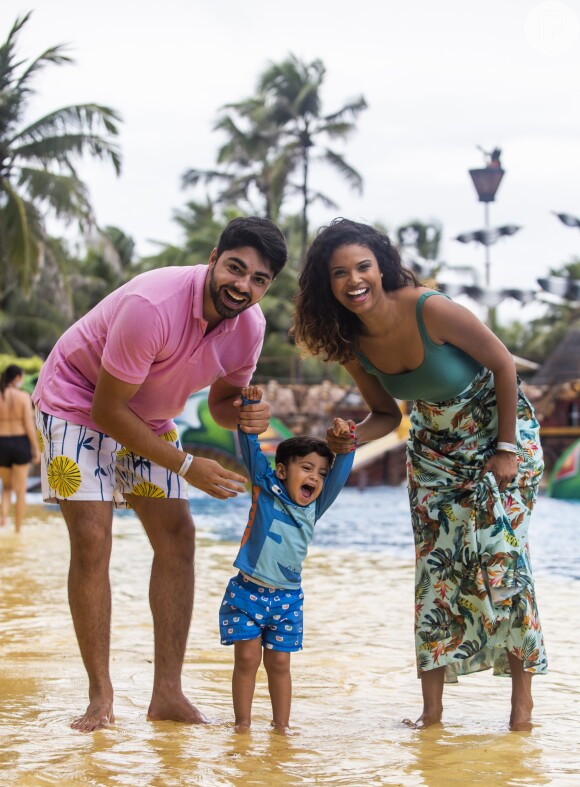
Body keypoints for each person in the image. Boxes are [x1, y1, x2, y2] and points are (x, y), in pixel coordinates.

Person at [31, 216, 288, 733]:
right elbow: (106, 412)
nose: (243, 286)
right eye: (235, 268)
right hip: (75, 399)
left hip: (145, 417)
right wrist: (187, 465)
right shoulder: (153, 306)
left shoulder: (250, 327)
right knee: (92, 537)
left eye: (259, 279)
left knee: (177, 536)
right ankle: (101, 697)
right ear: (214, 258)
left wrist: (245, 411)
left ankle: (167, 693)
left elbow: (219, 404)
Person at [292, 217, 546, 732]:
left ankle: (521, 708)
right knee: (434, 573)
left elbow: (503, 365)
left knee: (501, 561)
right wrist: (348, 439)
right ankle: (432, 714)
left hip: (499, 436)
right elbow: (386, 416)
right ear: (328, 284)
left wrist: (505, 448)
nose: (353, 280)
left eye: (363, 266)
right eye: (339, 273)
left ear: (381, 269)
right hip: (431, 450)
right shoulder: (351, 343)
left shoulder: (430, 309)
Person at [219, 385, 355, 733]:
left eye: (320, 473)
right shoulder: (266, 487)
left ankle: (281, 728)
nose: (314, 477)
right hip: (247, 593)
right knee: (247, 658)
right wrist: (249, 405)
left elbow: (339, 476)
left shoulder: (314, 508)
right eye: (306, 468)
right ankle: (243, 725)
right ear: (281, 471)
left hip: (287, 599)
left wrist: (348, 442)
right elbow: (249, 447)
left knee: (280, 662)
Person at [0, 365, 41, 532]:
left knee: (7, 487)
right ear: (17, 377)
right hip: (19, 444)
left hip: (1, 443)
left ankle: (3, 519)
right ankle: (18, 529)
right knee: (21, 491)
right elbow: (29, 425)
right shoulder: (23, 396)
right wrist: (36, 449)